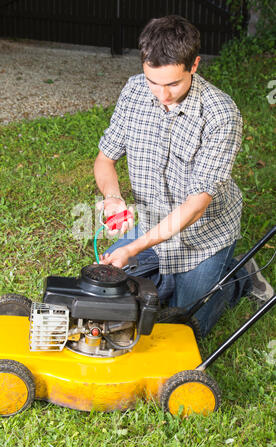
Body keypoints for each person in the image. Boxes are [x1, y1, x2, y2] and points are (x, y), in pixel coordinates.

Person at [93, 15, 274, 337]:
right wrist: (113, 198)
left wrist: (133, 248)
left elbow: (195, 206)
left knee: (183, 327)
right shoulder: (134, 91)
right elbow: (105, 159)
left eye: (173, 84)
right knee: (113, 297)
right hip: (152, 223)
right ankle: (165, 277)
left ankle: (238, 276)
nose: (161, 95)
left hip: (203, 236)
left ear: (194, 65)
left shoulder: (221, 114)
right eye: (153, 82)